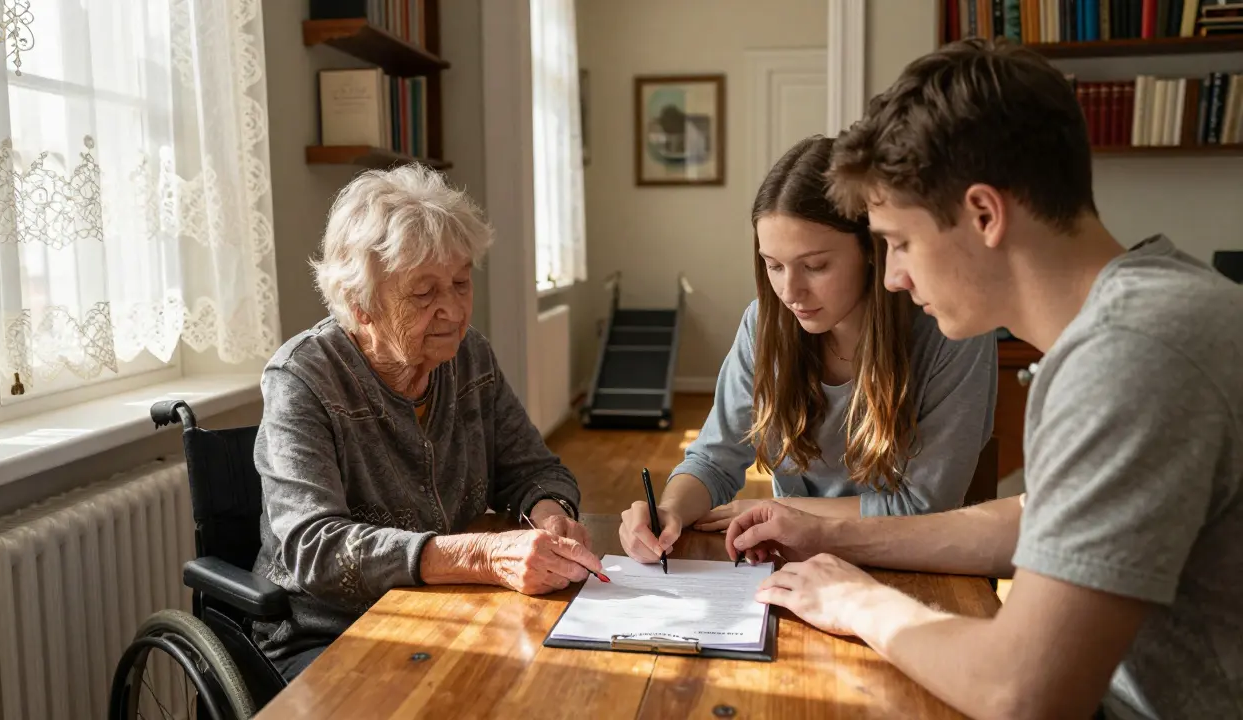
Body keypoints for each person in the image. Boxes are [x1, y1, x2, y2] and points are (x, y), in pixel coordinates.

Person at [727, 38, 1243, 720]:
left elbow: (1022, 692)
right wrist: (830, 536)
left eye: (901, 242)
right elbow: (1035, 521)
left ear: (984, 215)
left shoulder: (1132, 352)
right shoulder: (1148, 305)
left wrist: (857, 601)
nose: (894, 278)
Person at [251, 165, 602, 680]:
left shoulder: (469, 357)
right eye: (424, 293)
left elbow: (533, 470)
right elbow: (315, 548)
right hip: (329, 632)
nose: (454, 310)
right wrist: (481, 555)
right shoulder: (303, 379)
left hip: (443, 606)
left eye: (461, 283)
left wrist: (550, 517)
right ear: (361, 305)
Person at [619, 135, 997, 564]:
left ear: (872, 250)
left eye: (815, 266)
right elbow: (713, 459)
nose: (790, 291)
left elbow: (922, 509)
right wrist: (668, 510)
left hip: (916, 566)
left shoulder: (951, 331)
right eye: (774, 265)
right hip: (795, 563)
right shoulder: (764, 323)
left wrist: (781, 513)